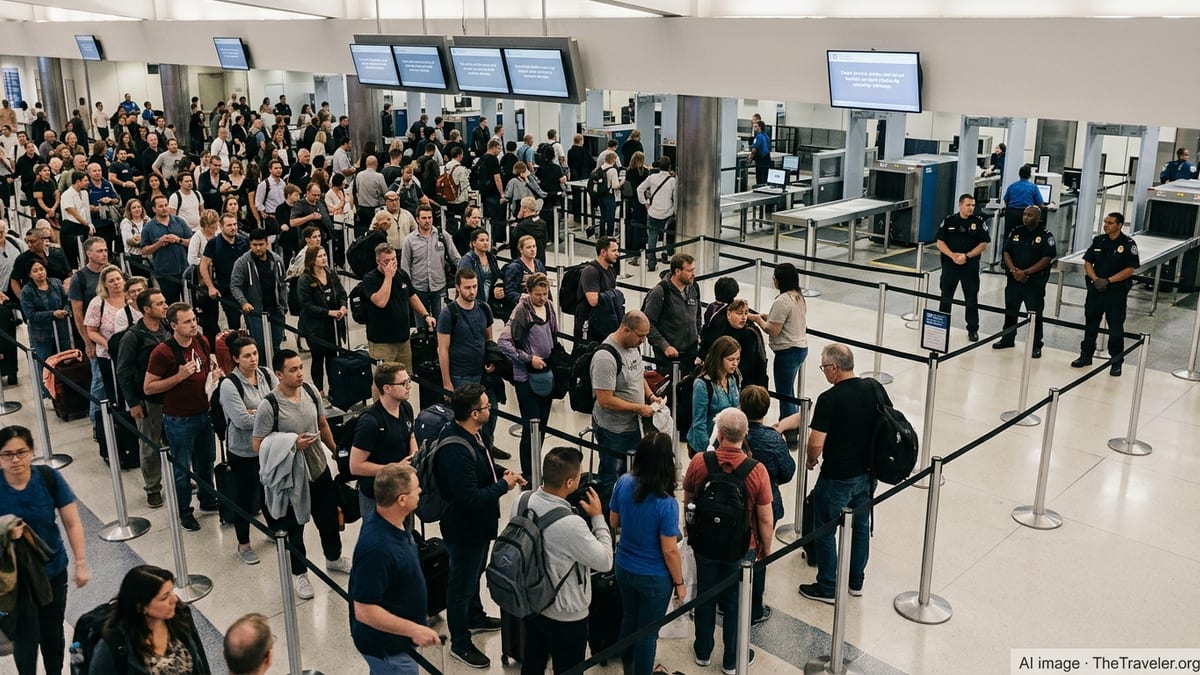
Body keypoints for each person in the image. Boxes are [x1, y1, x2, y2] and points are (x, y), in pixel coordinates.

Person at [436, 383, 526, 668]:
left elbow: (483, 465)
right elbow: (469, 498)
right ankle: (460, 641)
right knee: (460, 584)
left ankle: (474, 615)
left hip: (479, 525)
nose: (490, 409)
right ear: (474, 413)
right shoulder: (455, 449)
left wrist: (503, 472)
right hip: (464, 527)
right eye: (486, 407)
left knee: (474, 573)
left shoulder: (474, 434)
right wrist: (503, 485)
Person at [253, 349, 351, 600]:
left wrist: (335, 452)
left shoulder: (309, 391)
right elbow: (258, 444)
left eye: (300, 368)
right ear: (278, 374)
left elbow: (322, 423)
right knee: (294, 525)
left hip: (317, 467)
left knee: (328, 517)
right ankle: (299, 572)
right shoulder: (269, 405)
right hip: (290, 475)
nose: (299, 373)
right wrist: (291, 443)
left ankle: (334, 556)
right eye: (292, 370)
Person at [683, 407, 772, 673]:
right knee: (735, 604)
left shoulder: (700, 461)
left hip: (705, 543)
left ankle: (702, 652)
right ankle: (732, 660)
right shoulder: (756, 471)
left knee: (705, 596)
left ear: (719, 434)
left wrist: (689, 531)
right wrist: (766, 549)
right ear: (745, 434)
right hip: (743, 546)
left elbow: (688, 498)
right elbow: (765, 518)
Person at [0, 425, 89, 675]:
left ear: (31, 452)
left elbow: (72, 522)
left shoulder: (47, 478)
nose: (15, 459)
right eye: (7, 454)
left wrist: (80, 562)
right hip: (13, 578)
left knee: (52, 632)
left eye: (21, 452)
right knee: (24, 636)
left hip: (52, 570)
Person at [798, 344, 883, 604]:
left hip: (837, 476)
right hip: (868, 474)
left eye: (824, 367)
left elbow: (815, 443)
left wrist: (811, 461)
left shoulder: (829, 399)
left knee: (824, 528)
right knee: (860, 526)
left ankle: (827, 586)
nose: (823, 372)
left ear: (834, 368)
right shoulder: (873, 388)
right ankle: (856, 581)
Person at [519, 447, 614, 675]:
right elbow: (605, 561)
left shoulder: (522, 501)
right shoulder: (571, 524)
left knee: (533, 662)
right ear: (569, 483)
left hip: (532, 602)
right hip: (567, 614)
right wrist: (598, 517)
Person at [349, 462, 441, 673]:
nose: (420, 491)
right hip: (389, 649)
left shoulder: (396, 520)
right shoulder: (377, 548)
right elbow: (364, 611)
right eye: (416, 489)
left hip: (400, 642)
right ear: (401, 499)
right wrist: (414, 629)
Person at [609, 431, 685, 675]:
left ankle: (627, 670)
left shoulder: (623, 483)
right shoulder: (667, 504)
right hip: (654, 577)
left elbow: (614, 521)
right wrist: (679, 583)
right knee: (647, 633)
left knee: (628, 619)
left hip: (624, 565)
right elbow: (670, 550)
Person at [144, 302, 218, 531]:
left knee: (206, 462)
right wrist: (178, 377)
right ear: (174, 325)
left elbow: (206, 366)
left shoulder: (202, 341)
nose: (193, 324)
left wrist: (214, 374)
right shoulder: (163, 352)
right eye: (187, 322)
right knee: (182, 470)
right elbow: (149, 387)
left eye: (194, 319)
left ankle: (207, 499)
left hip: (204, 413)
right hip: (179, 420)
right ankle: (184, 511)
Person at [739, 385, 796, 623]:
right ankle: (754, 608)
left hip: (736, 503)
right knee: (760, 553)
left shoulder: (732, 432)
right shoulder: (773, 438)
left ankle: (728, 600)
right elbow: (788, 471)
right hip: (767, 501)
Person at [219, 336, 278, 565]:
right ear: (235, 359)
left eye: (254, 353)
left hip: (269, 446)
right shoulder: (229, 384)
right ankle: (243, 543)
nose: (253, 359)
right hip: (243, 450)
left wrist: (258, 412)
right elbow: (242, 420)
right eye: (246, 356)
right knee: (244, 497)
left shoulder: (266, 374)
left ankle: (273, 529)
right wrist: (266, 413)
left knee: (269, 490)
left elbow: (280, 402)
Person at [89, 565, 211, 673]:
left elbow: (200, 662)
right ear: (141, 607)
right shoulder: (113, 644)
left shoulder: (179, 616)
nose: (174, 599)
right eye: (164, 597)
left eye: (171, 592)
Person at [497, 272, 559, 479]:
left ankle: (536, 468)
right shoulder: (521, 311)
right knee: (530, 426)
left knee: (542, 425)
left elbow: (553, 334)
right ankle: (529, 473)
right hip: (526, 378)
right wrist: (527, 358)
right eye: (538, 294)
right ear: (529, 292)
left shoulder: (549, 306)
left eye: (545, 293)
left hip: (546, 374)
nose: (542, 298)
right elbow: (504, 342)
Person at [437, 268, 506, 451]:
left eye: (474, 286)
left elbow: (488, 339)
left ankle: (488, 446)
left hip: (483, 374)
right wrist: (447, 382)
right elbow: (443, 349)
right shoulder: (449, 313)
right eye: (467, 287)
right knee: (466, 421)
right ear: (458, 287)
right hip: (461, 375)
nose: (472, 291)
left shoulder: (484, 308)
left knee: (491, 413)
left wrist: (491, 361)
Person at [592, 311, 663, 485]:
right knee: (611, 478)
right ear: (625, 330)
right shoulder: (605, 358)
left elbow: (639, 375)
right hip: (613, 431)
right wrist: (638, 408)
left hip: (633, 426)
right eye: (641, 336)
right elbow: (605, 400)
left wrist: (650, 396)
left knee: (632, 474)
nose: (643, 341)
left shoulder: (632, 346)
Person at [116, 288, 170, 508]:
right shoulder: (133, 336)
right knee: (150, 445)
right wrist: (133, 402)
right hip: (147, 400)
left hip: (171, 396)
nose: (165, 306)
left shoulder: (167, 327)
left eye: (164, 302)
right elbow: (123, 371)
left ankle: (180, 477)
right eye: (159, 304)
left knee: (175, 441)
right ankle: (153, 488)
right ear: (146, 309)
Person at [1071, 212, 1140, 376]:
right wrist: (1095, 279)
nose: (1106, 225)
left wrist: (1108, 280)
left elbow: (1130, 269)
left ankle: (1116, 362)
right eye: (1105, 222)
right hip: (1096, 290)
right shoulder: (1099, 240)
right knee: (1091, 324)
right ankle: (1086, 355)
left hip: (1115, 292)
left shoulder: (1128, 244)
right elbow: (1088, 261)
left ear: (1119, 225)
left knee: (1115, 327)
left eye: (1110, 223)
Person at [349, 362, 417, 518]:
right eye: (403, 383)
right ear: (387, 388)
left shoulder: (405, 407)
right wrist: (394, 468)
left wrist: (414, 454)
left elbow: (411, 434)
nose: (409, 386)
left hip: (402, 489)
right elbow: (356, 466)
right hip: (377, 496)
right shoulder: (370, 422)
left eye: (409, 381)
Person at [993, 205, 1056, 358]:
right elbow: (1006, 251)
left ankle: (1035, 344)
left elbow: (1047, 258)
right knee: (1011, 310)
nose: (1026, 217)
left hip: (1033, 282)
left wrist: (1026, 272)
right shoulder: (1016, 231)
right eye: (1025, 214)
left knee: (1034, 314)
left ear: (1038, 218)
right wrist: (1014, 270)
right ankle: (1007, 338)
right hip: (1014, 279)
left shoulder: (1046, 236)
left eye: (1030, 215)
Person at [361, 242, 437, 368]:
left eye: (394, 259)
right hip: (382, 342)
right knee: (384, 380)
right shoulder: (370, 279)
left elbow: (412, 296)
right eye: (387, 261)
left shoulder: (402, 274)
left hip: (403, 340)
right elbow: (381, 302)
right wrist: (388, 277)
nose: (392, 264)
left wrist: (425, 315)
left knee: (406, 377)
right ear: (378, 261)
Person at [750, 262, 808, 419]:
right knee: (789, 390)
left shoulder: (782, 300)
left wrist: (756, 319)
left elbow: (772, 330)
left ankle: (788, 427)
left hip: (787, 352)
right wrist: (768, 318)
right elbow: (787, 322)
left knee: (784, 394)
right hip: (800, 348)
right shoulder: (798, 296)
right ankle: (793, 422)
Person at [935, 193, 990, 342]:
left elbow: (983, 243)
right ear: (960, 205)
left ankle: (973, 329)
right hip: (950, 265)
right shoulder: (949, 220)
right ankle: (941, 329)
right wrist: (952, 255)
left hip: (969, 266)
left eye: (973, 205)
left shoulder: (978, 222)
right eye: (968, 205)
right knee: (946, 297)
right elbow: (940, 242)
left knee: (971, 298)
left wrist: (967, 256)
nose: (971, 208)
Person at [297, 246, 348, 393]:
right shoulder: (305, 279)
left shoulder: (331, 274)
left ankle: (333, 388)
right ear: (312, 259)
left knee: (332, 358)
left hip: (333, 325)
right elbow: (306, 305)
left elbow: (342, 293)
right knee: (318, 359)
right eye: (320, 256)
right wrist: (328, 312)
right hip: (315, 327)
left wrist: (343, 307)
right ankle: (319, 391)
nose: (324, 258)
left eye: (325, 255)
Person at [230, 229, 287, 357]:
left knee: (276, 345)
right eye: (254, 245)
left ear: (267, 243)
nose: (258, 248)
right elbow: (235, 286)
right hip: (256, 312)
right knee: (259, 346)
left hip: (275, 310)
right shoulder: (242, 262)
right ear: (250, 244)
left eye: (261, 244)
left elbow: (282, 283)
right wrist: (244, 302)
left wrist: (284, 304)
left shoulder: (277, 260)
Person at [643, 252, 701, 375]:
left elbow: (697, 315)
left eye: (693, 269)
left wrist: (698, 334)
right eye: (689, 270)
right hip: (669, 357)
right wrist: (665, 346)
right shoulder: (659, 292)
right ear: (677, 271)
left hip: (690, 352)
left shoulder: (693, 287)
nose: (693, 274)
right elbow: (647, 324)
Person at [402, 204, 461, 320]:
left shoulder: (442, 235)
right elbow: (405, 266)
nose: (427, 221)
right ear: (417, 219)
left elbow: (456, 258)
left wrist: (464, 276)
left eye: (429, 217)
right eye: (424, 218)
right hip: (418, 289)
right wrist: (408, 289)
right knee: (421, 325)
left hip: (439, 287)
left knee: (442, 322)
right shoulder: (409, 240)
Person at [688, 335, 742, 455]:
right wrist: (707, 452)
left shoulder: (735, 377)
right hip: (706, 443)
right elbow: (699, 423)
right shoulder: (702, 384)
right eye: (731, 359)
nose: (735, 364)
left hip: (727, 443)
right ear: (719, 358)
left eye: (738, 359)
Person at [701, 299, 769, 389]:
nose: (744, 317)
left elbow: (761, 363)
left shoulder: (752, 334)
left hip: (749, 385)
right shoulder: (718, 332)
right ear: (729, 314)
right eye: (739, 313)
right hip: (722, 385)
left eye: (746, 313)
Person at [201, 212, 250, 331]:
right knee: (234, 323)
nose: (233, 228)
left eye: (235, 224)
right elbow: (203, 265)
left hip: (246, 288)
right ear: (221, 227)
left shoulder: (244, 241)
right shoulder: (213, 243)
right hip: (226, 288)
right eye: (229, 225)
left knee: (252, 322)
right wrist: (210, 287)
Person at [141, 194, 192, 303]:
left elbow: (192, 242)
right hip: (165, 274)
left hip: (184, 270)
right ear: (154, 209)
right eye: (161, 206)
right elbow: (144, 250)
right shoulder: (148, 227)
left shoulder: (180, 221)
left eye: (166, 205)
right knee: (171, 306)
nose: (164, 208)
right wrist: (158, 244)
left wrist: (179, 240)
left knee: (190, 304)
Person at [575, 236, 622, 343]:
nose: (617, 254)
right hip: (589, 323)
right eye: (614, 250)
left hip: (604, 321)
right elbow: (593, 301)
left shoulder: (610, 269)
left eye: (617, 250)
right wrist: (615, 294)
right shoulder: (590, 271)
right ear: (603, 252)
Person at [458, 228, 506, 318]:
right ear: (474, 243)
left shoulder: (491, 257)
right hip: (473, 300)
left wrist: (497, 287)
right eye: (482, 240)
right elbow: (463, 283)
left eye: (487, 240)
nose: (485, 243)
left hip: (489, 301)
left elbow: (498, 275)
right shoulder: (467, 260)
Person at [639, 156, 676, 271]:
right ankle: (668, 254)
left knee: (652, 237)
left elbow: (639, 189)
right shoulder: (672, 181)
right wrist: (675, 210)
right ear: (669, 167)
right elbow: (676, 198)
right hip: (667, 212)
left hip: (653, 211)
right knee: (669, 234)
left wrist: (644, 202)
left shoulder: (652, 177)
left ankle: (651, 263)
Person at [502, 234, 546, 312]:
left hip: (539, 306)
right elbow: (509, 291)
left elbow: (545, 285)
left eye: (534, 246)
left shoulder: (538, 263)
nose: (532, 249)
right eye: (528, 247)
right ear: (521, 250)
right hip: (520, 308)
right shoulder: (514, 267)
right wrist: (526, 299)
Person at [1000, 164, 1045, 237]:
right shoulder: (1033, 187)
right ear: (1030, 176)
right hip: (1025, 215)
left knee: (1009, 236)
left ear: (1019, 175)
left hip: (1011, 214)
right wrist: (1047, 207)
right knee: (1024, 236)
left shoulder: (1012, 186)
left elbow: (1006, 200)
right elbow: (1040, 204)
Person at [510, 195, 549, 263]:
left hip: (525, 262)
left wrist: (518, 219)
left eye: (521, 207)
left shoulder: (521, 226)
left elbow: (514, 244)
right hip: (540, 260)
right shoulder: (543, 223)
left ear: (525, 209)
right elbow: (545, 242)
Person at [595, 151, 621, 238]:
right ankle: (610, 237)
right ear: (613, 160)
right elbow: (615, 186)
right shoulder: (612, 170)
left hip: (600, 196)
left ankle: (602, 236)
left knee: (603, 217)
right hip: (609, 196)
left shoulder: (600, 168)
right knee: (610, 219)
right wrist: (622, 182)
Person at [749, 120, 771, 185]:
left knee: (760, 177)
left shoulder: (758, 136)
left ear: (759, 127)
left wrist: (750, 159)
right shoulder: (766, 136)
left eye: (755, 127)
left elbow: (754, 150)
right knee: (765, 177)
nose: (754, 128)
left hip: (761, 160)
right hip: (767, 158)